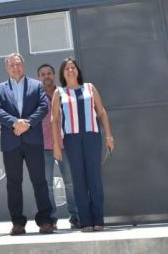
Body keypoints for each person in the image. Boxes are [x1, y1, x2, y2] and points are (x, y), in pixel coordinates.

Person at [0, 53, 54, 235]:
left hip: (33, 140)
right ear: (7, 68)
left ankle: (45, 221)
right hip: (11, 143)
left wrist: (27, 123)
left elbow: (43, 107)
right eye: (12, 65)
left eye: (18, 64)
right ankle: (17, 222)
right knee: (13, 183)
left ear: (23, 66)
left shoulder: (36, 85)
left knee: (39, 181)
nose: (15, 67)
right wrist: (14, 123)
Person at [51, 58, 114, 232]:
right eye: (67, 69)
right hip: (71, 140)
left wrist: (108, 136)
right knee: (78, 180)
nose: (70, 70)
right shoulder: (59, 92)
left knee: (94, 178)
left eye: (73, 67)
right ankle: (85, 222)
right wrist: (56, 145)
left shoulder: (89, 88)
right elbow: (54, 120)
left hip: (92, 137)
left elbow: (101, 112)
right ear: (63, 74)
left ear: (77, 70)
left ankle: (98, 220)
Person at [37, 63, 79, 229]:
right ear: (39, 77)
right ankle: (51, 219)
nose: (46, 76)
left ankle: (75, 217)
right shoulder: (36, 95)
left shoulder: (64, 93)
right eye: (43, 74)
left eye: (49, 73)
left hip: (64, 143)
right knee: (47, 185)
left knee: (70, 182)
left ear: (54, 75)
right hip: (44, 145)